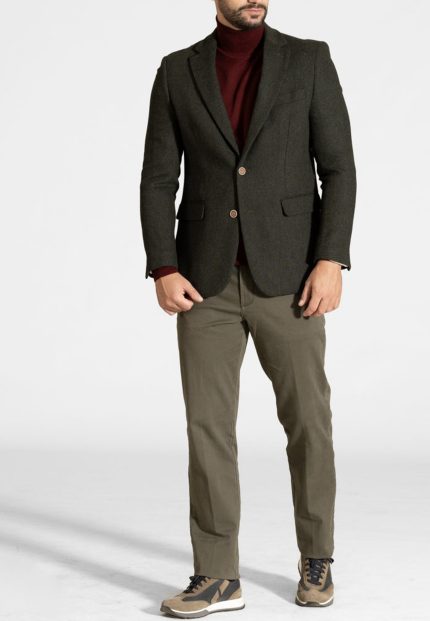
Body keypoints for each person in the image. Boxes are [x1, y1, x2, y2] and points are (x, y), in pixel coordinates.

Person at [139, 0, 356, 616]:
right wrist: (163, 265)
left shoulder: (308, 60)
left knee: (308, 420)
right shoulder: (177, 70)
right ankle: (216, 575)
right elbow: (158, 178)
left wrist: (331, 258)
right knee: (207, 427)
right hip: (202, 280)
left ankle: (317, 556)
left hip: (291, 277)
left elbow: (338, 168)